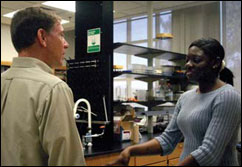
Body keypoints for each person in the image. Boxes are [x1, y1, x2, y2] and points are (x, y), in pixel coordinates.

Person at [106, 38, 241, 166]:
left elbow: (209, 153)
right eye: (187, 60)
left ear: (215, 63)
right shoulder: (186, 97)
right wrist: (130, 151)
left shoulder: (228, 96)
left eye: (196, 60)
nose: (188, 64)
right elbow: (167, 139)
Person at [1, 7, 86, 166]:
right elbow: (67, 161)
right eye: (61, 35)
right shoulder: (53, 88)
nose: (66, 44)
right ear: (42, 37)